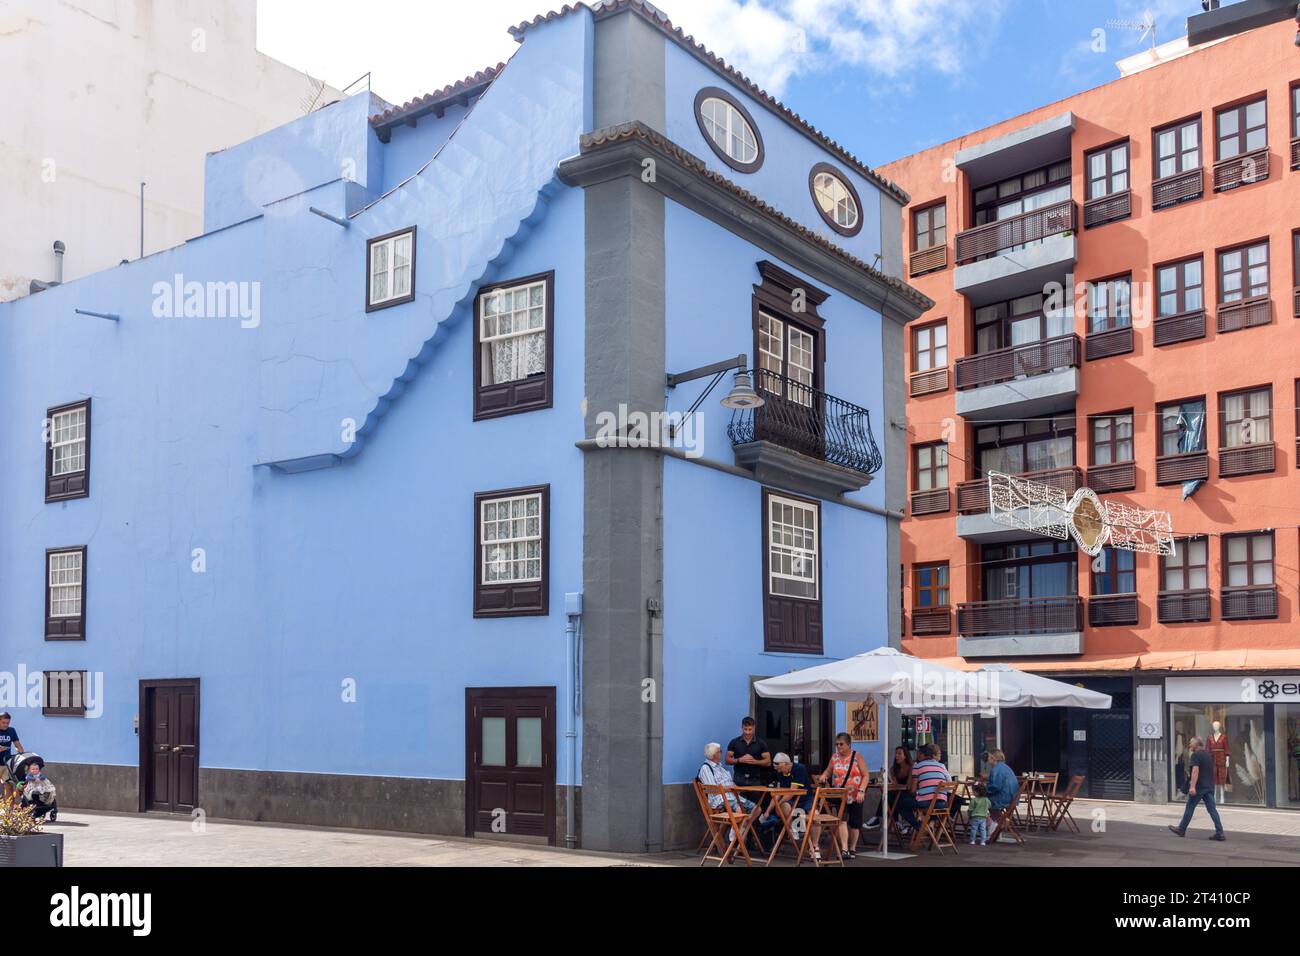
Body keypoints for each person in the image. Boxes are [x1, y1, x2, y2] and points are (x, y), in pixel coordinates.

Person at [817, 733, 868, 860]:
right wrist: (824, 776)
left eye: (841, 744)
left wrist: (862, 790)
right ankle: (845, 849)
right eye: (837, 744)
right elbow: (828, 771)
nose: (838, 746)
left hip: (856, 795)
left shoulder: (856, 756)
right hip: (840, 795)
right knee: (842, 820)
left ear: (848, 744)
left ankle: (853, 848)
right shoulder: (834, 758)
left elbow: (866, 775)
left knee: (855, 823)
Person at [1168, 736, 1226, 842]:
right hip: (1209, 786)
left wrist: (1192, 786)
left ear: (1197, 745)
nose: (1189, 745)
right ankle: (1220, 832)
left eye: (1191, 743)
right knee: (1212, 809)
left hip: (1199, 787)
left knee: (1190, 807)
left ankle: (1181, 829)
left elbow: (1195, 771)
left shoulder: (1195, 755)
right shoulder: (1208, 755)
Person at [756, 752, 814, 850]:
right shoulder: (781, 773)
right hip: (791, 800)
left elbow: (792, 791)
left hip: (805, 799)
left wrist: (778, 804)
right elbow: (778, 794)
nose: (779, 772)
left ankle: (814, 846)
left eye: (780, 768)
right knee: (784, 806)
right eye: (777, 769)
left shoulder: (799, 769)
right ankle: (792, 828)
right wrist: (767, 811)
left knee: (814, 815)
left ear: (787, 764)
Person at [896, 743, 951, 833]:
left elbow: (913, 790)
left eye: (919, 754)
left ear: (923, 755)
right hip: (943, 804)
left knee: (901, 804)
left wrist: (916, 792)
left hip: (927, 803)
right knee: (928, 804)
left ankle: (920, 827)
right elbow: (948, 784)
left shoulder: (917, 766)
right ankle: (929, 823)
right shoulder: (941, 766)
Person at [698, 742, 755, 815]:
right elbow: (711, 789)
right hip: (720, 800)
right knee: (740, 810)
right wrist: (728, 788)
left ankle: (743, 826)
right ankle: (738, 826)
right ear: (714, 754)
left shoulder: (721, 768)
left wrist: (737, 788)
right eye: (720, 751)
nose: (722, 753)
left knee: (756, 809)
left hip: (733, 797)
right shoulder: (706, 768)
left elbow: (731, 782)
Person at [865, 745, 911, 830]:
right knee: (889, 795)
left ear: (905, 756)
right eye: (896, 754)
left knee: (889, 796)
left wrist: (893, 783)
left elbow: (908, 786)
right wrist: (888, 775)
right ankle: (895, 822)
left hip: (908, 794)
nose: (896, 756)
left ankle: (878, 818)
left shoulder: (911, 768)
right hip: (896, 793)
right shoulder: (894, 768)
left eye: (899, 754)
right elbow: (894, 783)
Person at [725, 717, 771, 788]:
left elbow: (768, 762)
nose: (747, 732)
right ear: (742, 728)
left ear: (754, 728)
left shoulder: (761, 743)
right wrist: (739, 760)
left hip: (755, 779)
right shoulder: (734, 742)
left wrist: (754, 761)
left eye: (750, 729)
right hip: (739, 779)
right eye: (745, 729)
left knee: (755, 799)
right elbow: (727, 761)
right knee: (738, 799)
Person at [985, 749, 1019, 842]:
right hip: (1012, 797)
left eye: (989, 757)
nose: (988, 759)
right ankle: (998, 824)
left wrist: (984, 790)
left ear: (993, 758)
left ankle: (995, 825)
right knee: (985, 802)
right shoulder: (1005, 767)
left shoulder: (996, 769)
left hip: (1003, 798)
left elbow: (995, 786)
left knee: (981, 803)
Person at [0, 713, 23, 800]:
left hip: (7, 763)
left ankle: (8, 810)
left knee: (9, 786)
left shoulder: (11, 730)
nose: (6, 725)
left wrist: (20, 751)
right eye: (3, 722)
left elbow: (17, 745)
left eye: (7, 723)